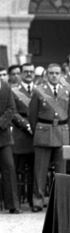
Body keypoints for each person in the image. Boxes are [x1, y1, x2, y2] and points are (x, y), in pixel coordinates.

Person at [29, 63, 70, 212]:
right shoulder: (39, 91)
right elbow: (32, 115)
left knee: (61, 170)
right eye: (51, 73)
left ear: (61, 75)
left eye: (57, 73)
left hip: (62, 131)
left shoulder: (67, 91)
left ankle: (60, 201)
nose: (54, 76)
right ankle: (38, 201)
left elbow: (69, 114)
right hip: (43, 132)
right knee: (40, 169)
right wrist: (38, 130)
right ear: (46, 75)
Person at [11, 63, 35, 207]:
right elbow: (13, 112)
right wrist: (26, 125)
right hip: (20, 136)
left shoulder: (40, 90)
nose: (28, 74)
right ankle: (17, 200)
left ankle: (33, 200)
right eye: (25, 72)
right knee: (16, 171)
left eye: (31, 71)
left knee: (35, 172)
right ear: (20, 74)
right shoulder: (14, 91)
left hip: (37, 136)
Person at [0, 79, 20, 214]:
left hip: (3, 136)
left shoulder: (6, 87)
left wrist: (1, 123)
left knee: (9, 168)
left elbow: (11, 108)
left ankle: (12, 204)